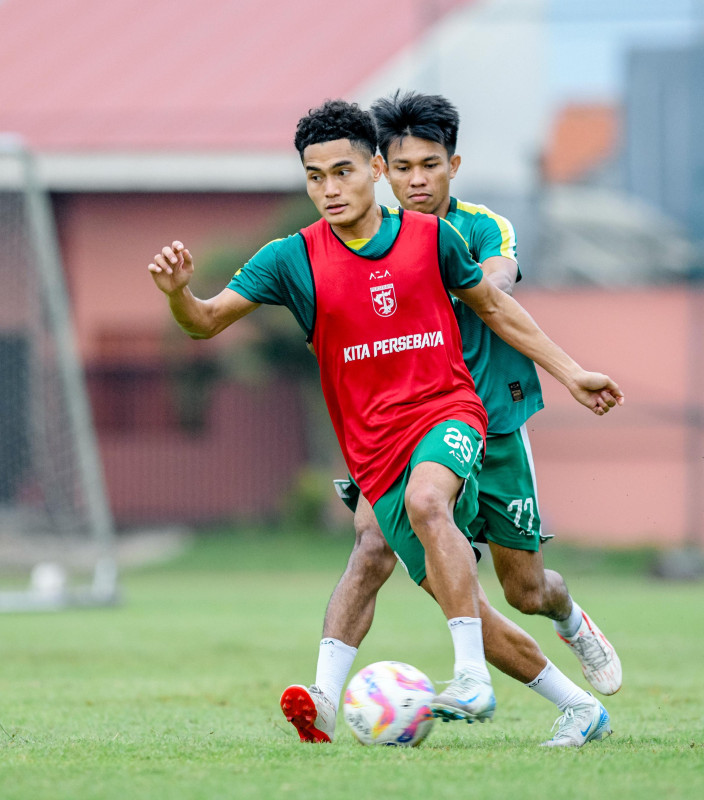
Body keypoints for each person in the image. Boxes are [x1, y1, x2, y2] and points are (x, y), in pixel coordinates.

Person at [146, 100, 621, 748]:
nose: (329, 188)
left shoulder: (438, 237)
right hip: (374, 445)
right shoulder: (292, 259)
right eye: (316, 177)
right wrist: (178, 293)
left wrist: (572, 372)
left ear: (372, 170)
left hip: (456, 410)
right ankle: (576, 707)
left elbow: (496, 304)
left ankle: (470, 677)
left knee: (436, 509)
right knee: (448, 588)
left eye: (343, 171)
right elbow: (204, 321)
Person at [328, 90, 621, 697]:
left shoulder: (482, 227)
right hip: (409, 432)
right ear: (381, 169)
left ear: (452, 166)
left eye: (430, 165)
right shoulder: (358, 242)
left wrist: (446, 279)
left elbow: (496, 283)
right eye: (402, 167)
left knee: (526, 591)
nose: (416, 180)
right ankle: (325, 697)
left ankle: (570, 622)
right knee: (373, 543)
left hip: (496, 421)